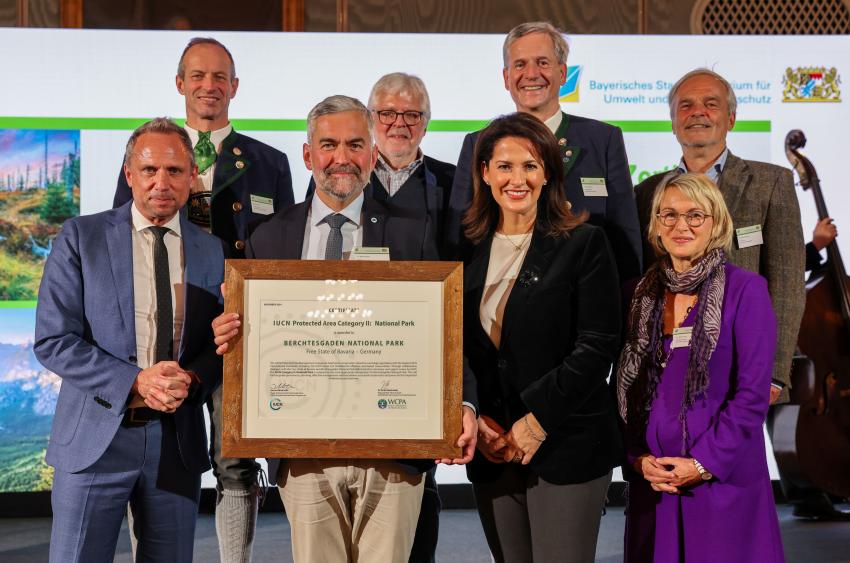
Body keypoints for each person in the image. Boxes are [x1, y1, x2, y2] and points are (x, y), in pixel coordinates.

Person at [212, 95, 478, 563]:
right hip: (304, 454)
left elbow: (449, 327)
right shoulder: (268, 236)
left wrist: (464, 401)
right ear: (307, 154)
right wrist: (230, 335)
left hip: (394, 452)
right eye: (329, 144)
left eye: (355, 145)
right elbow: (253, 344)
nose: (342, 158)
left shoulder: (412, 231)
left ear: (372, 155)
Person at [113, 37, 294, 561]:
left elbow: (280, 249)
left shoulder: (269, 162)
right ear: (180, 84)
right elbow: (122, 243)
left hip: (237, 326)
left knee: (235, 456)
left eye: (220, 77)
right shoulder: (148, 153)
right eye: (198, 76)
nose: (209, 86)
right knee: (153, 450)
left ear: (234, 87)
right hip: (164, 325)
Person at [34, 118, 224, 562]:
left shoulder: (209, 249)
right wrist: (137, 382)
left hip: (175, 444)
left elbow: (214, 345)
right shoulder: (82, 237)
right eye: (149, 170)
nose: (162, 182)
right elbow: (54, 340)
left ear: (191, 175)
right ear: (128, 174)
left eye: (175, 171)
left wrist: (192, 377)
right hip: (96, 437)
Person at [462, 112, 623, 563]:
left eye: (530, 166)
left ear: (548, 173)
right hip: (493, 445)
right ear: (485, 172)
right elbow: (455, 346)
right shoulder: (463, 247)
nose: (518, 179)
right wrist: (478, 417)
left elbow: (598, 345)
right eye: (506, 166)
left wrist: (537, 420)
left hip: (565, 439)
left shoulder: (585, 242)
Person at [618, 172, 784, 563]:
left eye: (695, 215)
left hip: (722, 481)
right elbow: (623, 387)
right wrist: (637, 459)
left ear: (717, 224)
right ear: (656, 226)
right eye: (668, 215)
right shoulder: (638, 294)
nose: (681, 226)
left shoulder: (746, 290)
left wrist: (702, 463)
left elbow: (751, 393)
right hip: (654, 484)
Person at [634, 68, 805, 404]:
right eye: (685, 106)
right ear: (672, 122)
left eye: (710, 104)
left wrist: (774, 374)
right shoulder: (647, 192)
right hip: (665, 367)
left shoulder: (772, 183)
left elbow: (787, 285)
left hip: (744, 369)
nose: (697, 112)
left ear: (731, 118)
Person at [449, 21, 641, 283]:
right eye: (520, 64)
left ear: (563, 73)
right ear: (506, 78)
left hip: (586, 300)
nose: (531, 74)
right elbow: (461, 236)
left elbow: (625, 237)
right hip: (500, 298)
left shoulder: (604, 140)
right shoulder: (477, 144)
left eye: (543, 62)